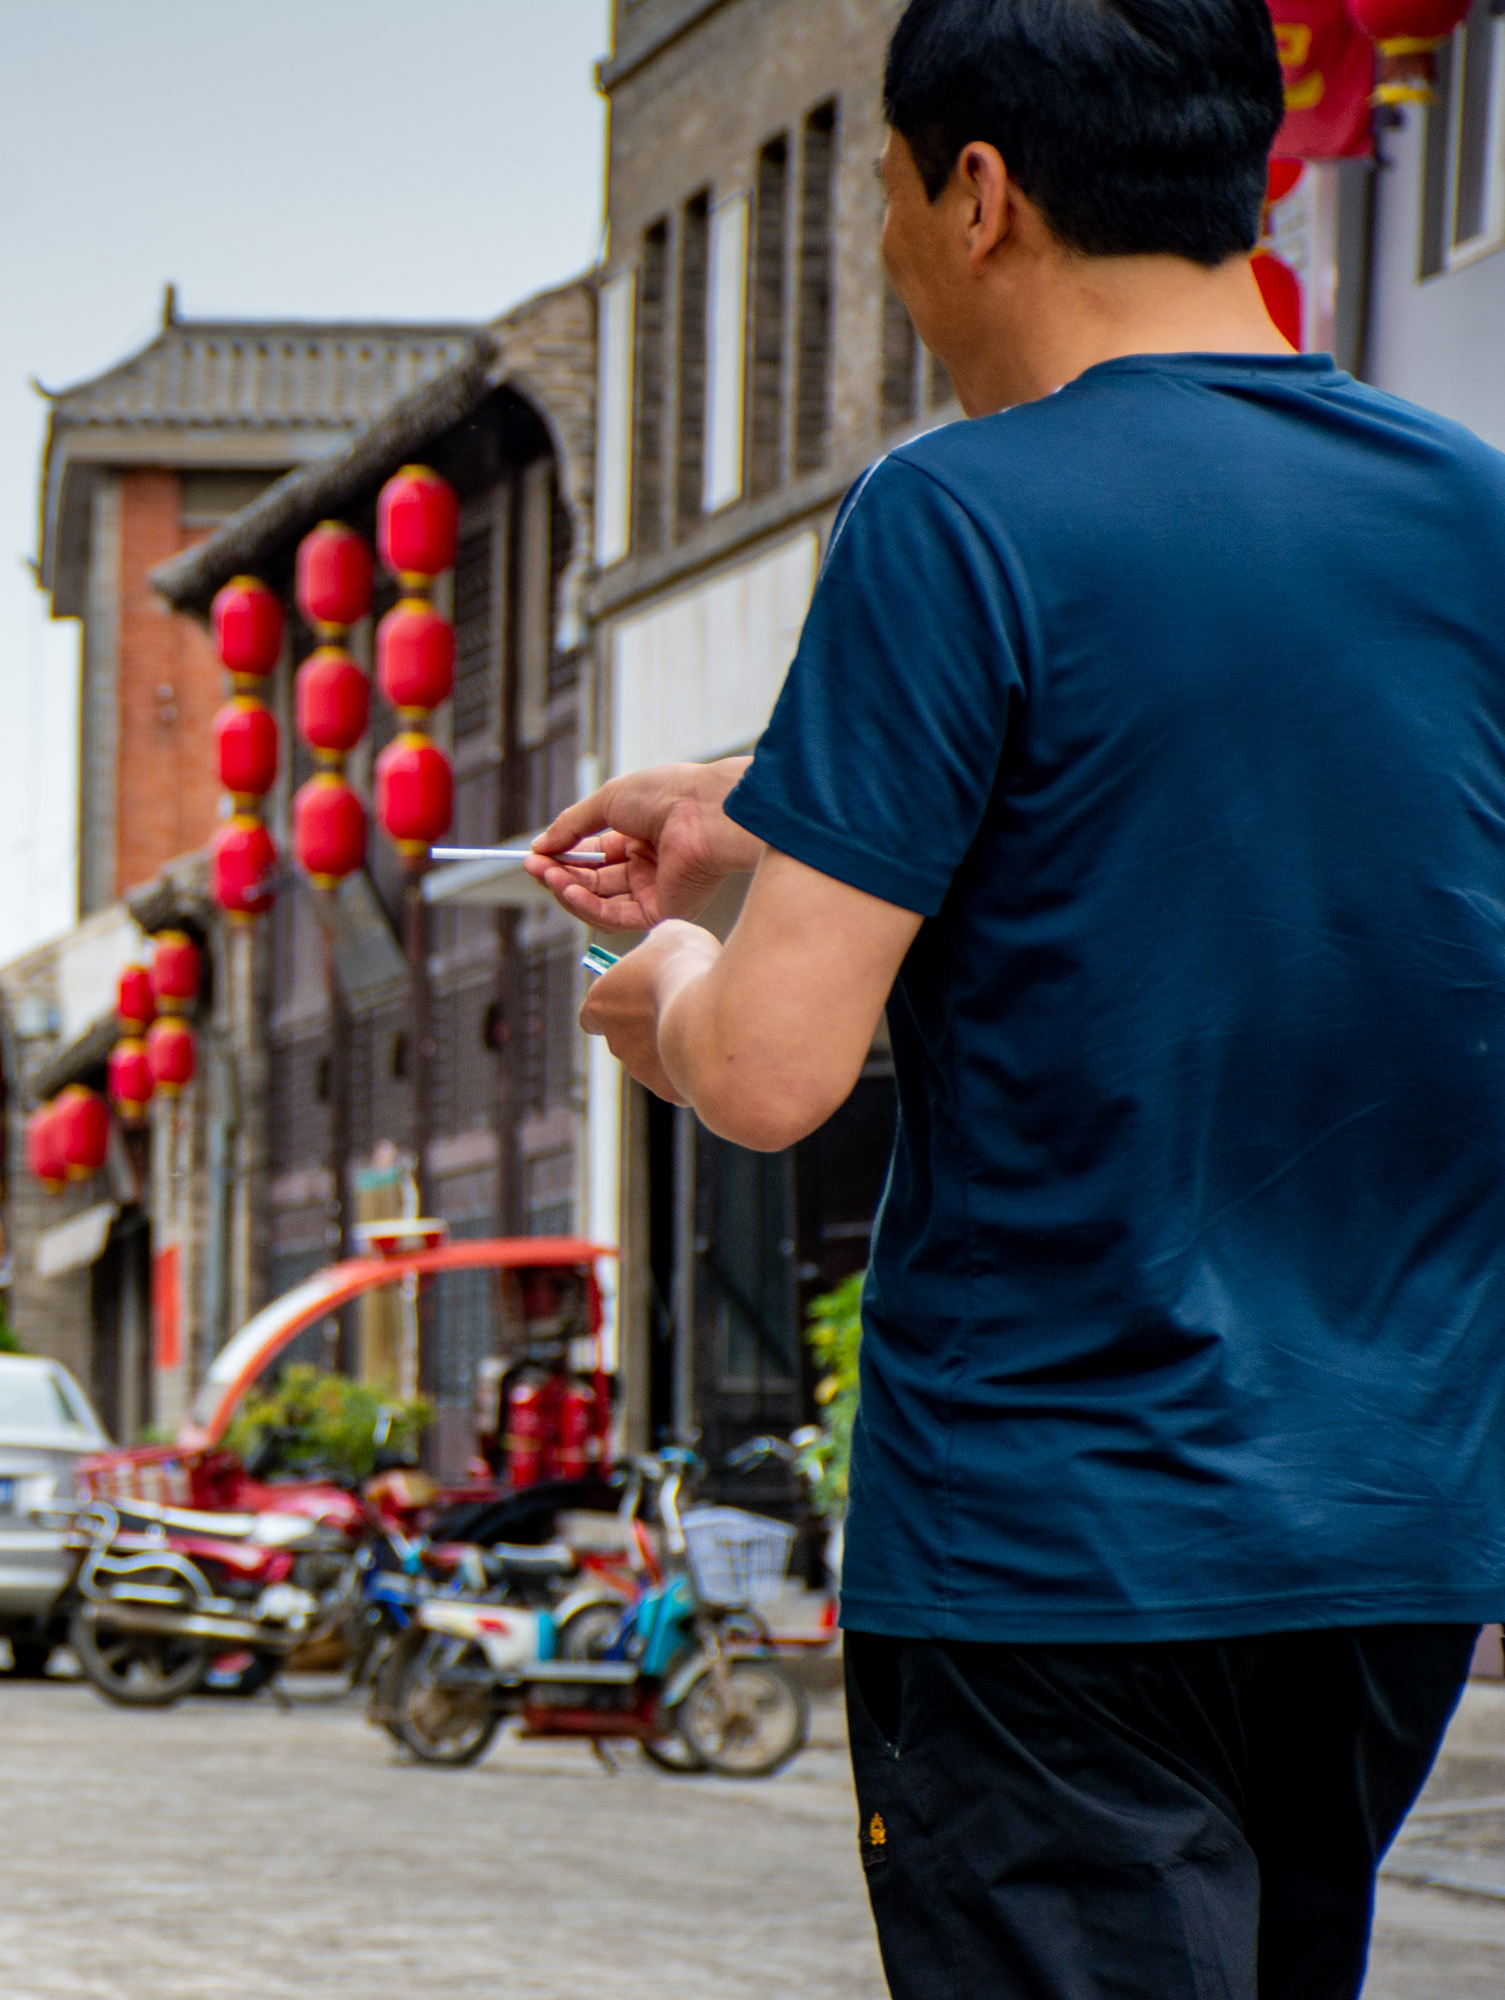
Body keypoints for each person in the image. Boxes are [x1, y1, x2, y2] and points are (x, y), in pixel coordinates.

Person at [527, 3, 1505, 1995]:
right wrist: (746, 802)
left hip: (1055, 1545)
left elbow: (783, 1072)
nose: (889, 257)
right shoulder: (1468, 513)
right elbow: (1222, 795)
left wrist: (672, 990)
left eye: (882, 197)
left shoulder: (953, 514)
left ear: (976, 192)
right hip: (1386, 1533)